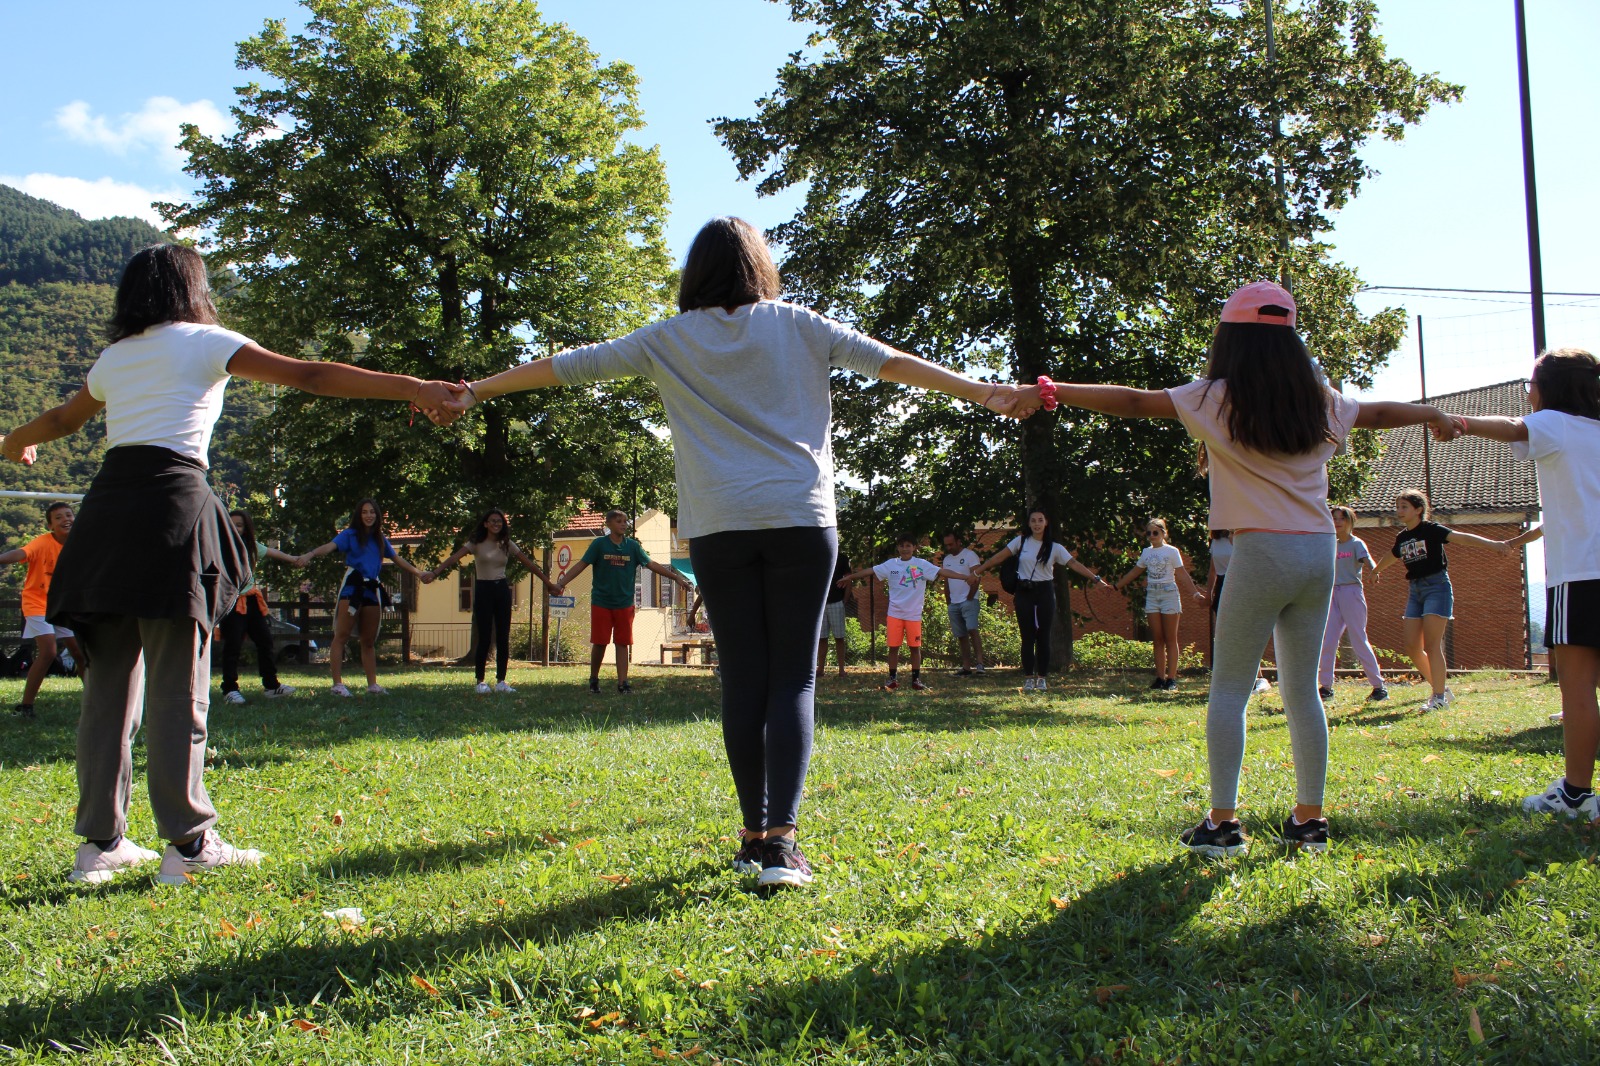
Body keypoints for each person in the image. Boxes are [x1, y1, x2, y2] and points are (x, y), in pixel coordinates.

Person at [439, 216, 1039, 887]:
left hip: (719, 528)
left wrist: (475, 391)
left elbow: (566, 366)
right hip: (799, 523)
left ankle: (754, 836)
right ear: (760, 266)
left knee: (745, 680)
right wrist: (983, 392)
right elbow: (889, 360)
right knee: (792, 679)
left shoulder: (668, 339)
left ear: (693, 275)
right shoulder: (799, 323)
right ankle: (780, 842)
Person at [0, 242, 459, 885]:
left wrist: (14, 440)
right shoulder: (206, 340)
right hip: (168, 510)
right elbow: (312, 376)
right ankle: (188, 848)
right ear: (192, 287)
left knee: (108, 693)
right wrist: (415, 387)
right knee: (178, 688)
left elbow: (62, 418)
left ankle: (99, 848)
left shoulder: (116, 356)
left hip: (104, 516)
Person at [1041, 280, 1458, 856]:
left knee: (1230, 689)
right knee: (1303, 691)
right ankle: (1309, 821)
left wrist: (1052, 389)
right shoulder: (1320, 399)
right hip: (1317, 551)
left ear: (1229, 336)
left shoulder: (1217, 397)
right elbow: (1382, 411)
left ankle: (1223, 824)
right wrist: (1429, 412)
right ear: (1290, 338)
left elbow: (1137, 401)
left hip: (1261, 552)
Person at [1451, 347, 1600, 822]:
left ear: (1548, 389)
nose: (1527, 393)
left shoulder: (1555, 423)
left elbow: (1515, 429)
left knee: (1578, 688)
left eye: (1530, 384)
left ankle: (1576, 794)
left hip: (1580, 574)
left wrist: (1459, 421)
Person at [1370, 489, 1510, 711]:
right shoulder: (1403, 537)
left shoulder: (1431, 530)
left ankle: (1438, 698)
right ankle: (1441, 690)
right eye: (1398, 507)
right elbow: (1393, 554)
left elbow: (1462, 538)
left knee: (1433, 645)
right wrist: (1376, 570)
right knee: (1412, 646)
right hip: (1415, 590)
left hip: (1437, 587)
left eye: (1404, 506)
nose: (1399, 511)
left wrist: (1494, 544)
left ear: (1418, 510)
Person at [296, 498, 436, 697]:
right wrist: (309, 554)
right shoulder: (350, 535)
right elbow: (329, 546)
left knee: (368, 640)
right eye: (364, 512)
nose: (369, 515)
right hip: (352, 587)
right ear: (358, 515)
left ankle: (372, 685)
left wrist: (419, 573)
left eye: (372, 512)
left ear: (377, 515)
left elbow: (397, 559)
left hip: (372, 589)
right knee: (341, 636)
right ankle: (337, 685)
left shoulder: (380, 539)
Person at [552, 509, 691, 694]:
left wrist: (675, 577)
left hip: (625, 603)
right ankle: (594, 679)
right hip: (601, 601)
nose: (624, 524)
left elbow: (651, 564)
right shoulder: (599, 545)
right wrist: (561, 583)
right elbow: (581, 565)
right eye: (619, 521)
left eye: (625, 521)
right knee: (600, 642)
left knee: (622, 643)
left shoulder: (632, 546)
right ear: (609, 524)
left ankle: (623, 683)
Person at [974, 510, 1109, 691]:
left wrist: (1096, 579)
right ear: (1029, 524)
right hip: (1024, 591)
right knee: (1027, 637)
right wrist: (977, 571)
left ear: (1046, 523)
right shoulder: (1020, 542)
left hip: (1045, 591)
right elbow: (999, 557)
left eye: (1040, 520)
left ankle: (1042, 678)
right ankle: (1029, 678)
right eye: (1033, 521)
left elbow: (1074, 564)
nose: (1037, 524)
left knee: (1043, 637)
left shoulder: (1055, 547)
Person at [428, 509, 557, 694]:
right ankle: (480, 681)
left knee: (503, 636)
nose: (497, 524)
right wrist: (434, 573)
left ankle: (501, 681)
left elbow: (528, 563)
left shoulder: (506, 544)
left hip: (501, 589)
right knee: (485, 637)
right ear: (485, 524)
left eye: (500, 521)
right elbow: (454, 558)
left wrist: (549, 584)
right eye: (493, 521)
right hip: (483, 589)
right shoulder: (476, 543)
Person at [838, 535, 972, 692]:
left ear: (914, 547)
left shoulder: (921, 565)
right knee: (893, 647)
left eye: (908, 545)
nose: (905, 549)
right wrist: (850, 577)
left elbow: (943, 572)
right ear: (898, 548)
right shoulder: (891, 565)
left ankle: (916, 680)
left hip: (914, 615)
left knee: (915, 648)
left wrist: (965, 577)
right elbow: (871, 570)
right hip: (895, 614)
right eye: (901, 546)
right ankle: (892, 679)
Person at [0, 501, 84, 719]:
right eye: (58, 517)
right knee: (48, 651)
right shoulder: (42, 543)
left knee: (80, 654)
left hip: (63, 605)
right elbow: (20, 553)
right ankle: (26, 706)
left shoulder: (80, 544)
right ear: (50, 526)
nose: (65, 519)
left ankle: (94, 702)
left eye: (69, 515)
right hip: (37, 603)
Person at [219, 509, 302, 705]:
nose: (235, 529)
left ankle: (272, 686)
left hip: (252, 601)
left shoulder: (252, 547)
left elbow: (275, 552)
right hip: (231, 601)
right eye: (231, 525)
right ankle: (230, 689)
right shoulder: (219, 547)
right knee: (233, 645)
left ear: (246, 529)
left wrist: (295, 559)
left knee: (265, 641)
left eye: (239, 526)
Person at [1115, 518, 1205, 691]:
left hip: (1169, 593)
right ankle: (1159, 678)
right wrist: (1116, 586)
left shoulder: (1172, 551)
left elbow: (1182, 573)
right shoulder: (1146, 552)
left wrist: (1194, 593)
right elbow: (1135, 571)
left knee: (1170, 638)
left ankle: (1171, 679)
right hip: (1153, 595)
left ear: (1164, 533)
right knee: (1157, 639)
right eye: (1148, 533)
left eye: (1155, 532)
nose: (1151, 536)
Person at [1317, 505, 1388, 702]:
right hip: (1332, 594)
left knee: (1358, 639)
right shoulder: (1329, 543)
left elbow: (1369, 561)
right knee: (1329, 641)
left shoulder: (1357, 544)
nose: (1337, 522)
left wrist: (1374, 571)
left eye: (1342, 518)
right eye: (1334, 519)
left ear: (1350, 522)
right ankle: (1326, 687)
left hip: (1351, 593)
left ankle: (1378, 687)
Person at [1209, 529, 1274, 698]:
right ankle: (1234, 678)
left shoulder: (1241, 534)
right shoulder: (1215, 541)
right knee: (1228, 634)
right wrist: (1209, 594)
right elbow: (1213, 570)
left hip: (1242, 582)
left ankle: (1258, 678)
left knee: (1245, 632)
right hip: (1223, 585)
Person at [939, 532, 986, 677]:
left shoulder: (970, 555)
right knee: (961, 635)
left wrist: (970, 597)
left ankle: (980, 664)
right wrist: (948, 601)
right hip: (954, 603)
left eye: (951, 544)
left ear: (959, 541)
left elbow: (977, 576)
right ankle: (966, 667)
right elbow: (946, 580)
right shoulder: (946, 559)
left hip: (968, 601)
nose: (948, 547)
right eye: (946, 545)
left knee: (972, 629)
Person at [817, 552, 852, 678]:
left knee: (839, 637)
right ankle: (820, 669)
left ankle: (842, 670)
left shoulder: (842, 558)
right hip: (820, 604)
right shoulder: (817, 556)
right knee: (821, 638)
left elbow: (849, 579)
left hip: (837, 602)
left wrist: (845, 600)